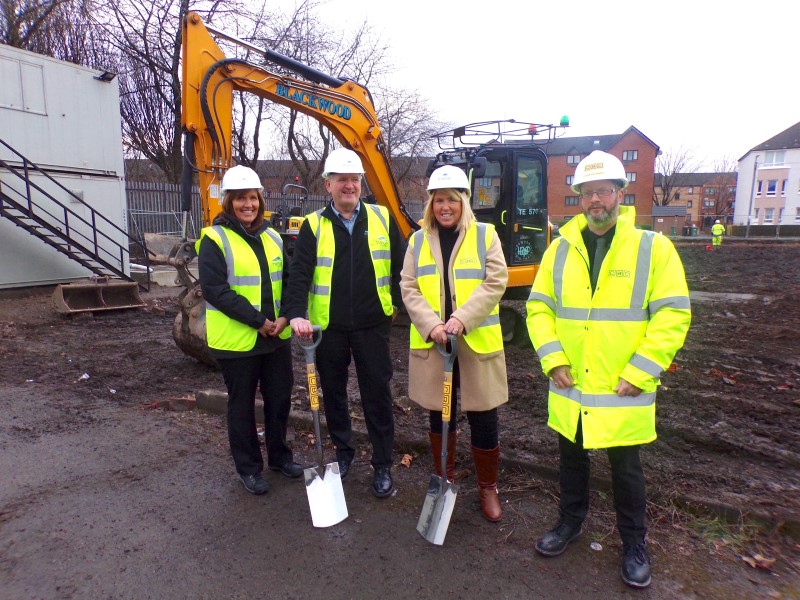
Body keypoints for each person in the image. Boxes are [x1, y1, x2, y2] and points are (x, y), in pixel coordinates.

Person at [526, 150, 691, 589]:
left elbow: (673, 314)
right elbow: (538, 309)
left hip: (623, 388)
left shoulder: (652, 247)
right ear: (578, 198)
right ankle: (569, 524)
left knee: (626, 469)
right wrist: (553, 358)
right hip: (571, 382)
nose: (595, 199)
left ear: (619, 193)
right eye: (587, 193)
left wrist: (641, 371)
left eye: (603, 191)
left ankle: (634, 543)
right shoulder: (559, 249)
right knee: (571, 461)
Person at [285, 148, 404, 498]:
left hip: (372, 326)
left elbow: (401, 267)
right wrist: (296, 314)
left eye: (354, 179)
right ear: (328, 185)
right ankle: (343, 454)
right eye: (341, 180)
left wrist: (395, 305)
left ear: (361, 183)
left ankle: (382, 465)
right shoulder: (313, 225)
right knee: (334, 394)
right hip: (328, 328)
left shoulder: (382, 218)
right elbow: (299, 275)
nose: (349, 185)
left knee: (377, 396)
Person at [400, 165, 509, 522]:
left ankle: (487, 487)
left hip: (474, 343)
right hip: (436, 345)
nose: (445, 206)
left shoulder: (485, 235)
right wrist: (432, 325)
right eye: (438, 200)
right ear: (431, 203)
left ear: (464, 201)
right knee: (440, 413)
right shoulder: (417, 240)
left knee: (483, 414)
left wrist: (462, 318)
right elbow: (409, 287)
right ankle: (444, 477)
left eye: (451, 199)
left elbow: (496, 281)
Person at [197, 165, 303, 495]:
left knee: (279, 400)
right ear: (229, 202)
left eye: (253, 198)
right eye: (240, 198)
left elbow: (286, 281)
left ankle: (279, 457)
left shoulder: (272, 236)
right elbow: (216, 289)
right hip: (238, 341)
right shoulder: (215, 239)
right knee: (241, 407)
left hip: (275, 337)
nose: (248, 204)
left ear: (260, 200)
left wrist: (284, 317)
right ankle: (249, 468)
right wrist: (259, 321)